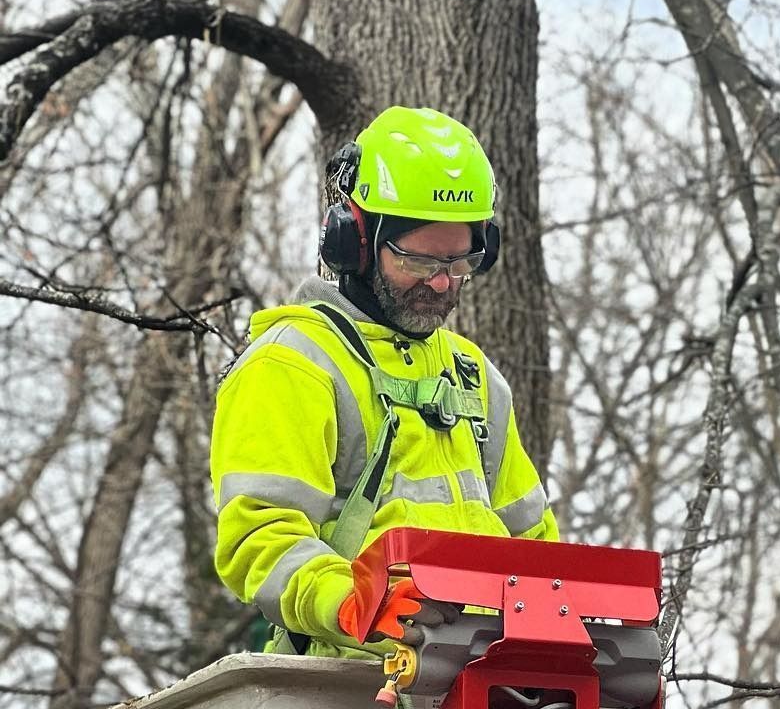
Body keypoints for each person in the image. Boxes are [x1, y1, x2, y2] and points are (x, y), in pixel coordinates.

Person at [211, 104, 558, 657]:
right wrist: (351, 604)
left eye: (460, 263)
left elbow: (537, 550)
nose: (443, 285)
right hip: (342, 694)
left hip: (483, 687)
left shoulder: (473, 377)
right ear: (353, 239)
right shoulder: (292, 363)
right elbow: (260, 537)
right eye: (419, 262)